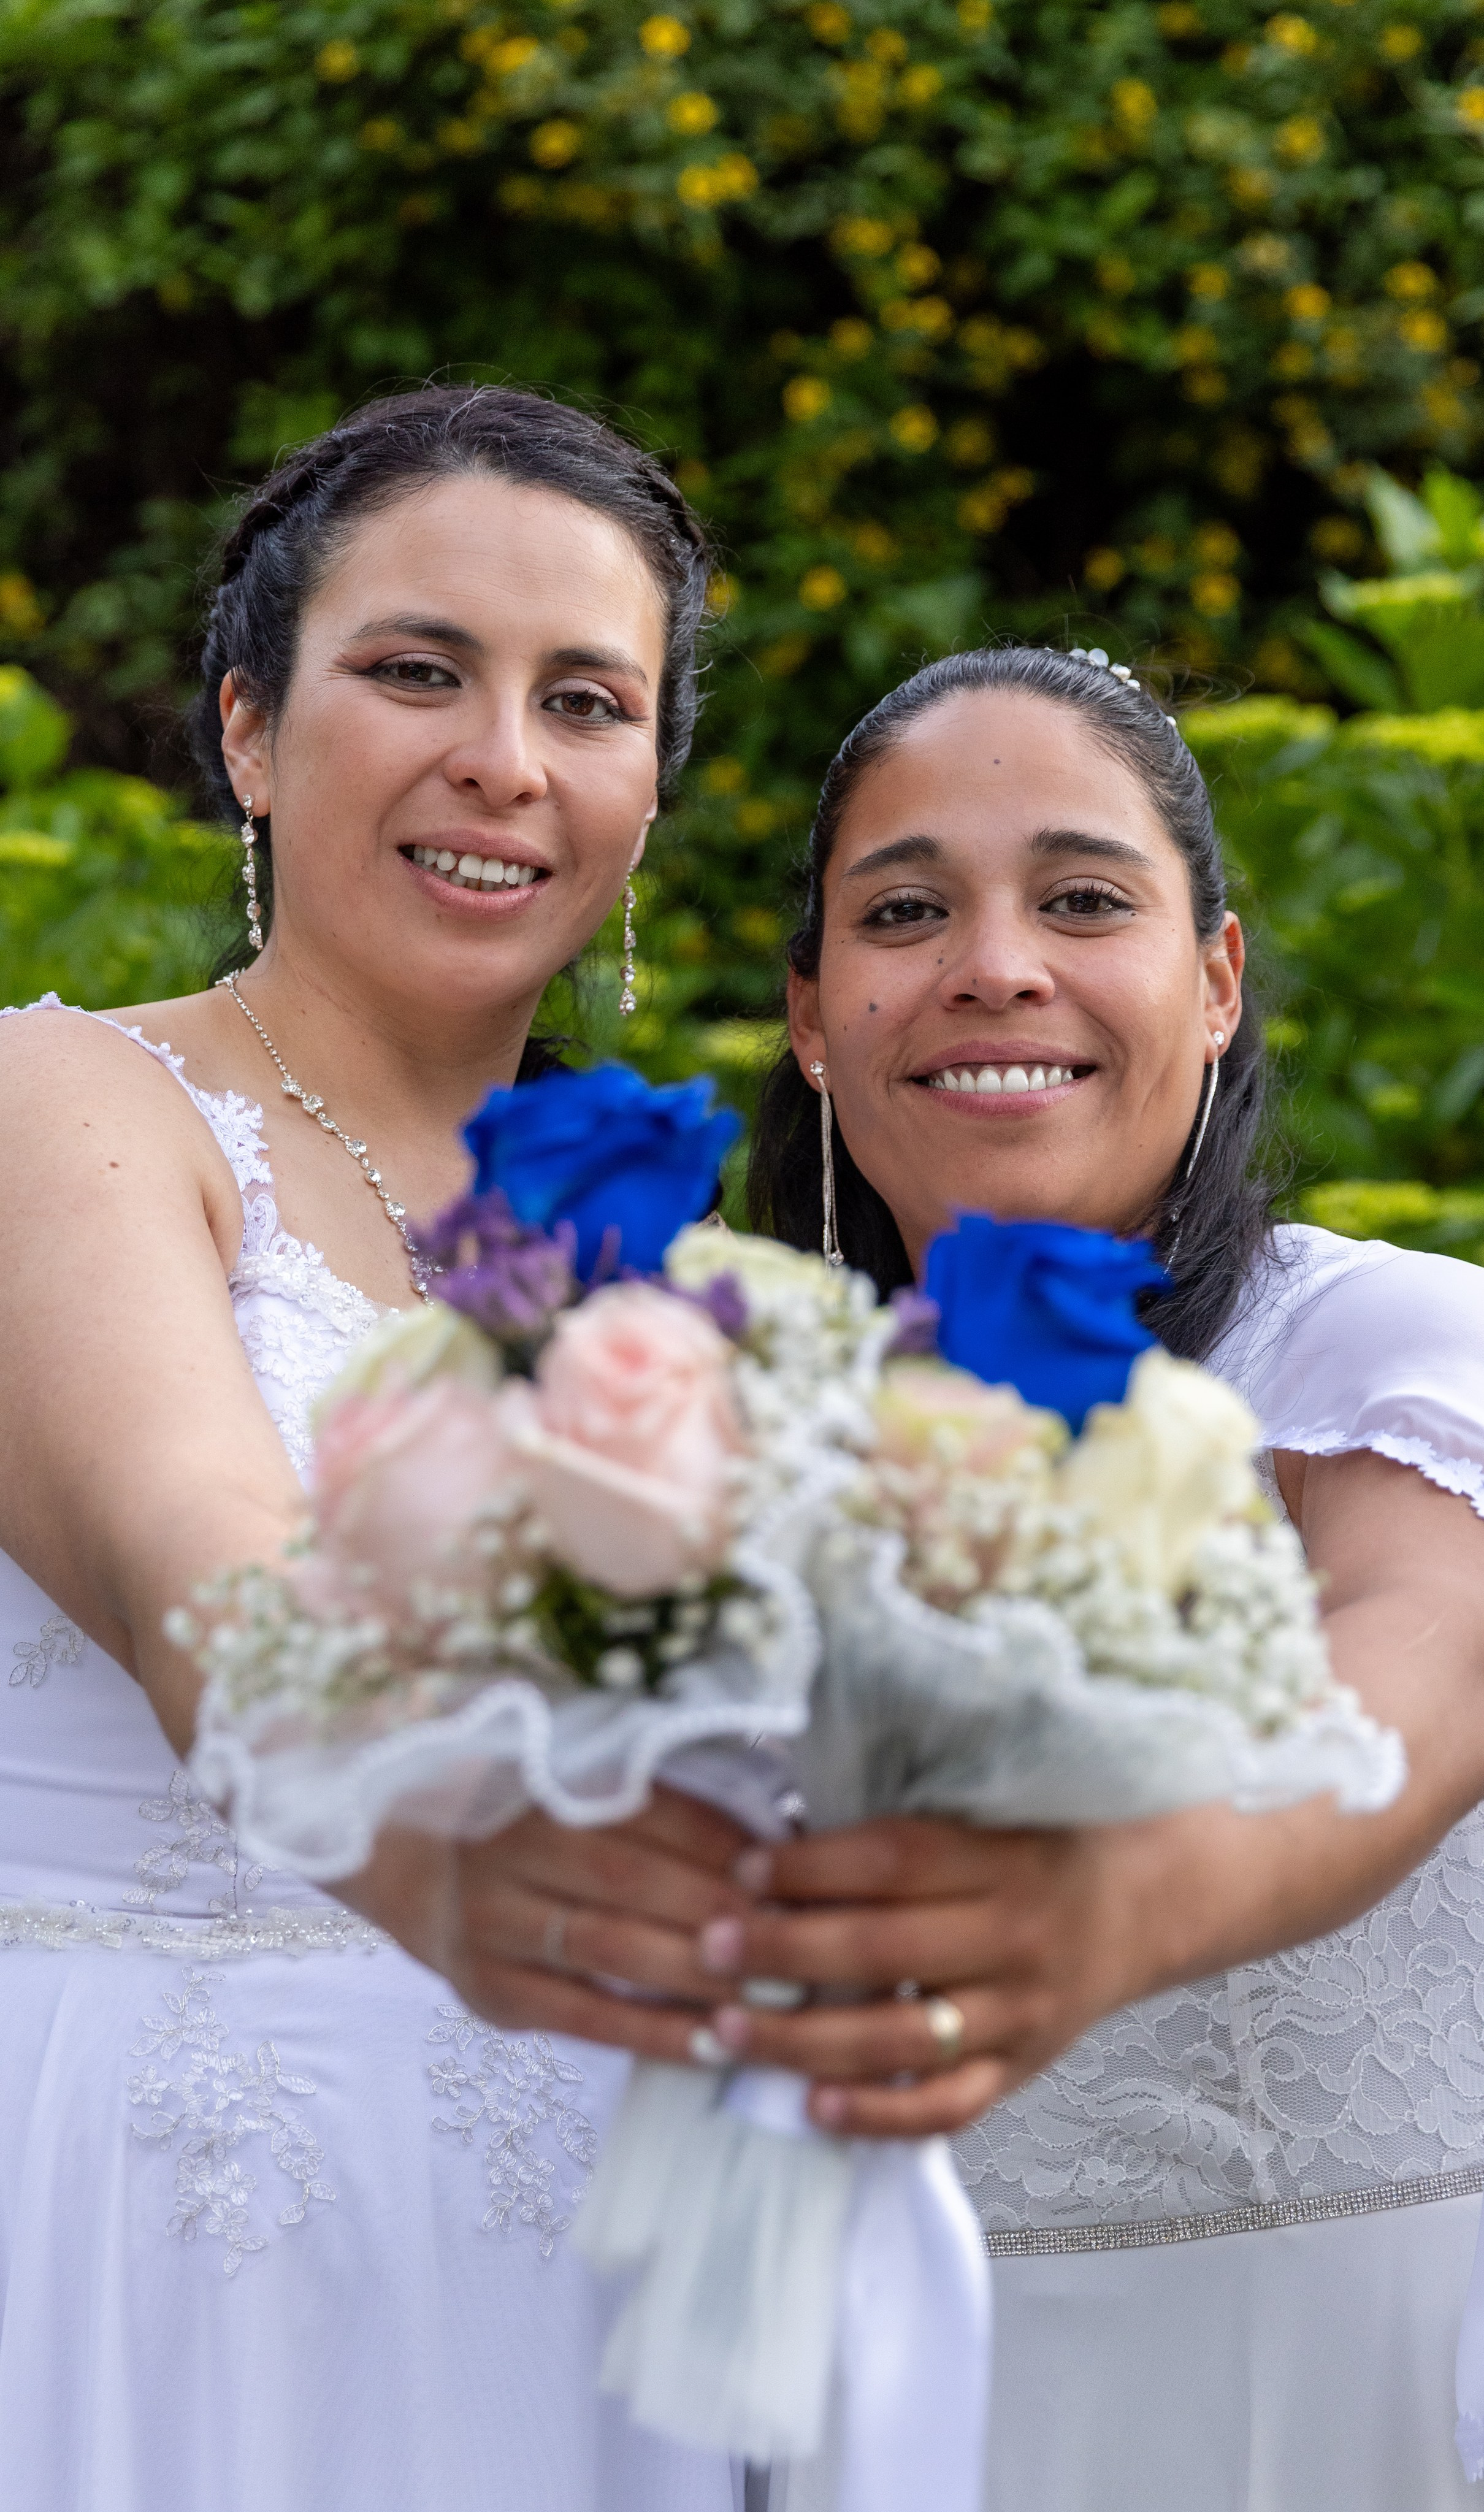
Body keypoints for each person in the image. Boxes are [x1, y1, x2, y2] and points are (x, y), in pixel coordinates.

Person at [0, 381, 759, 2512]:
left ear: (644, 793)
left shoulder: (672, 1270)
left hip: (604, 2247)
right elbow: (207, 1565)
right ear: (248, 730)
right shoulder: (72, 1107)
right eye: (418, 672)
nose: (504, 760)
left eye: (585, 702)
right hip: (188, 2208)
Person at [711, 645, 1484, 2510]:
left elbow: (1427, 1660)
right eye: (907, 912)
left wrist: (1106, 1906)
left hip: (1326, 2406)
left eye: (1080, 900)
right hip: (855, 2418)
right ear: (812, 1016)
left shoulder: (1376, 1346)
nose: (995, 966)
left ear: (1213, 982)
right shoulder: (702, 1431)